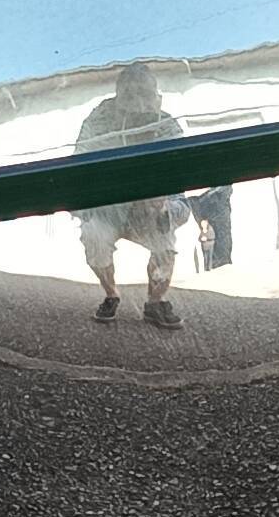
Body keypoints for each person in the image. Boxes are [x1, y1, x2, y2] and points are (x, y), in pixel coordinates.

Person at [74, 59, 192, 329]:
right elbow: (79, 166)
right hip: (108, 207)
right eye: (129, 95)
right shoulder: (99, 121)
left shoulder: (169, 131)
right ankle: (111, 294)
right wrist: (86, 206)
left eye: (145, 94)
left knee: (165, 242)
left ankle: (155, 302)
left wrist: (164, 210)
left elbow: (183, 203)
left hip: (149, 212)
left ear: (158, 99)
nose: (138, 105)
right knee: (93, 235)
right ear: (116, 99)